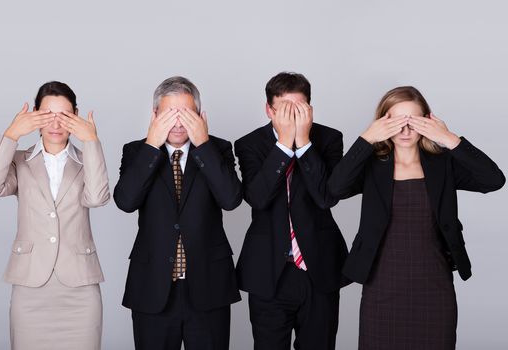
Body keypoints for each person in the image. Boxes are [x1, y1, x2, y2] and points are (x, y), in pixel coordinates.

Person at [328, 86, 506, 349]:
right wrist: (366, 139)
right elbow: (334, 189)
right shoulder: (372, 165)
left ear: (427, 121)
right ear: (382, 123)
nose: (405, 130)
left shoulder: (443, 163)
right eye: (396, 122)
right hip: (382, 283)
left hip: (434, 284)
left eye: (413, 121)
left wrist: (449, 138)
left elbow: (494, 180)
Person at [0, 81, 110, 350]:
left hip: (80, 288)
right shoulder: (19, 159)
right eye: (48, 114)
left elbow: (97, 198)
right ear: (34, 114)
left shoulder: (87, 159)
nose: (56, 123)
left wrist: (92, 140)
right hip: (30, 284)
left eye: (65, 115)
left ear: (76, 115)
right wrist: (11, 134)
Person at [114, 76, 242, 350]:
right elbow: (125, 201)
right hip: (153, 287)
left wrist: (204, 145)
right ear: (154, 116)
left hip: (208, 285)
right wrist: (151, 145)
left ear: (199, 115)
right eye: (169, 114)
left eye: (186, 114)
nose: (178, 122)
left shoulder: (217, 149)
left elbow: (231, 199)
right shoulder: (137, 151)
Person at [234, 72, 348, 350]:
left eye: (299, 108)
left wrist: (304, 142)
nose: (292, 116)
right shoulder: (249, 144)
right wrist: (284, 145)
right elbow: (257, 198)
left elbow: (326, 197)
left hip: (318, 268)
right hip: (269, 270)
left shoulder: (330, 139)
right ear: (268, 109)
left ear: (310, 108)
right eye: (284, 109)